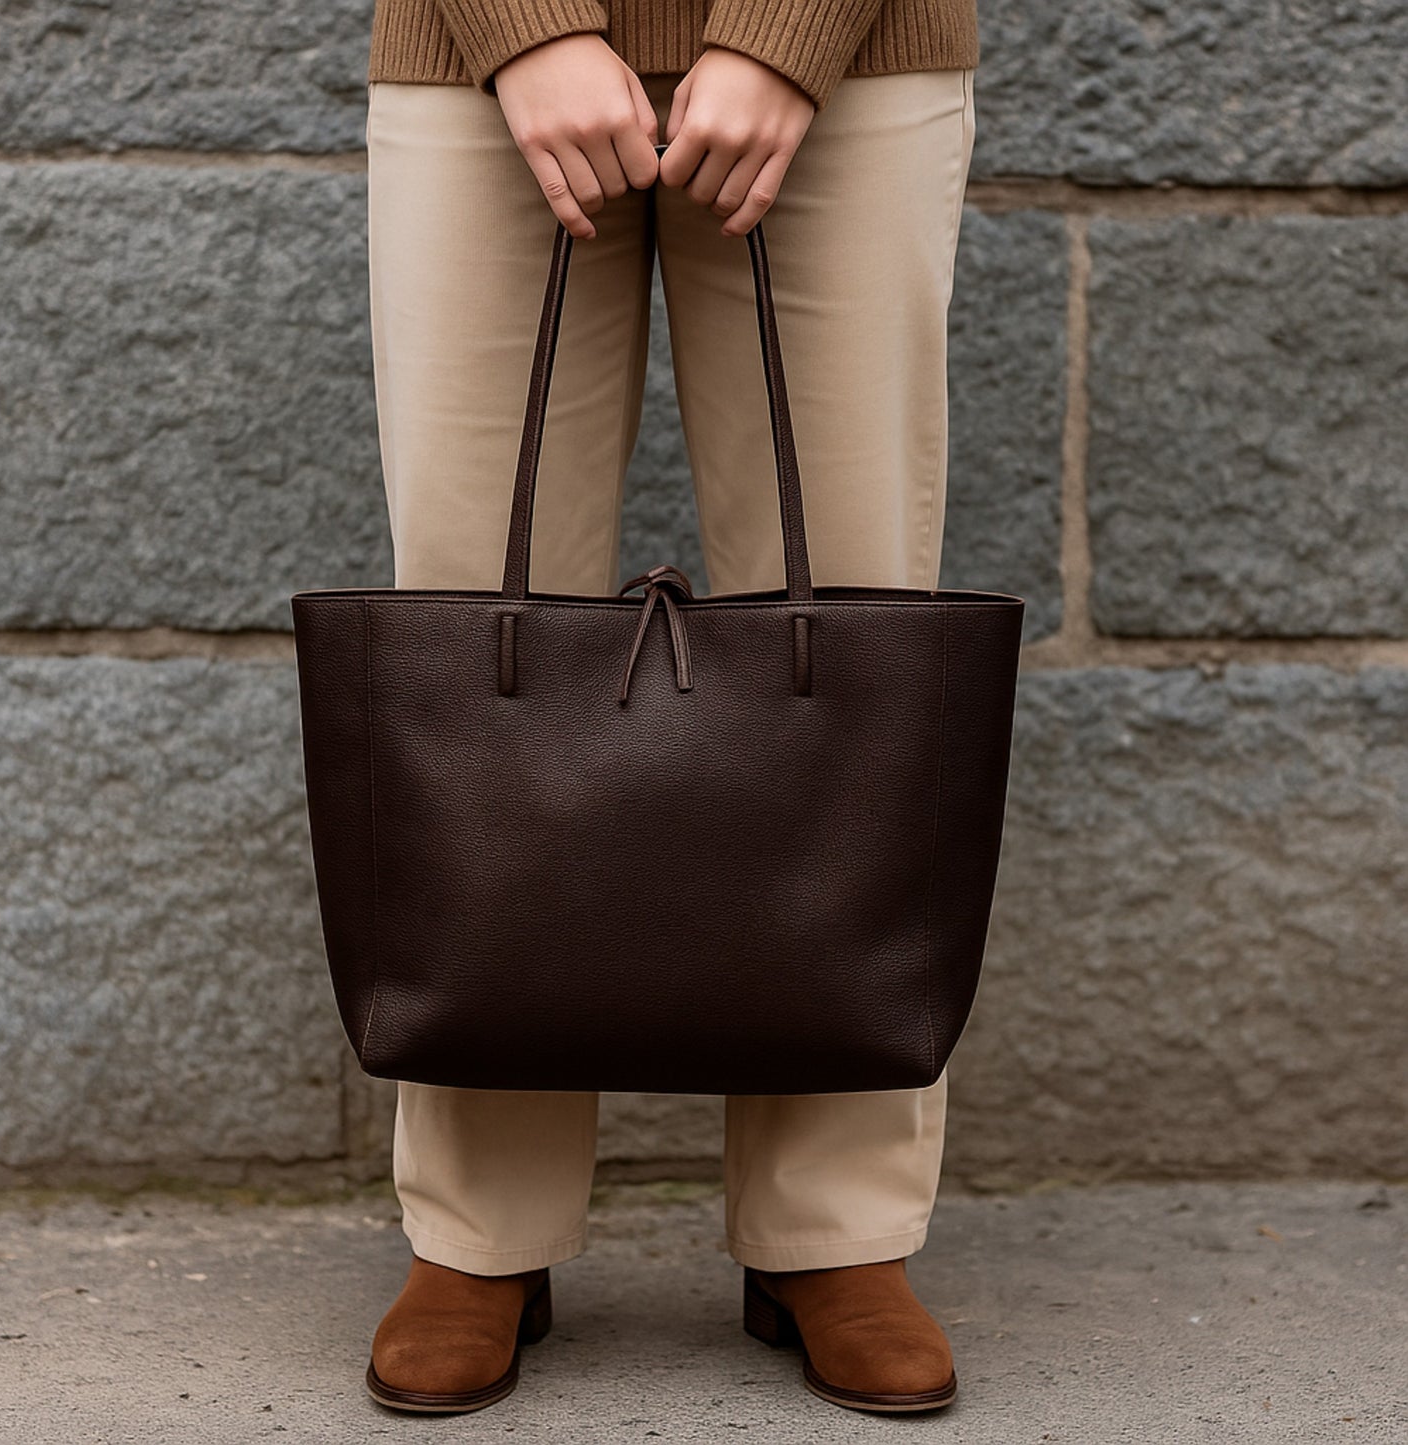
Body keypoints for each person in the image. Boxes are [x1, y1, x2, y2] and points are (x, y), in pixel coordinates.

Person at [361, 0, 978, 1417]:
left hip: (854, 53)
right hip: (474, 57)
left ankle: (834, 1227)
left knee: (852, 644)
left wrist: (788, 29)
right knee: (477, 647)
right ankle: (479, 1228)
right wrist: (521, 23)